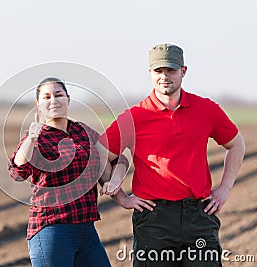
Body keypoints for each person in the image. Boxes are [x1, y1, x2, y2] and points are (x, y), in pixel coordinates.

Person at [97, 43, 245, 266]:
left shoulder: (206, 109)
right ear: (150, 73)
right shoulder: (134, 117)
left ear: (183, 71)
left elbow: (236, 145)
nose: (164, 76)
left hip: (199, 215)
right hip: (154, 220)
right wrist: (122, 198)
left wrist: (225, 188)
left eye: (171, 70)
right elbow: (100, 156)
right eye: (158, 71)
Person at [7, 77, 128, 267]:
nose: (53, 100)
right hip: (52, 230)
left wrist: (118, 187)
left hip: (86, 229)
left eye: (58, 95)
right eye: (46, 97)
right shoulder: (36, 138)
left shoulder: (83, 131)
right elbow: (17, 171)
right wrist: (30, 139)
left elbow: (118, 158)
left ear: (68, 99)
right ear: (38, 105)